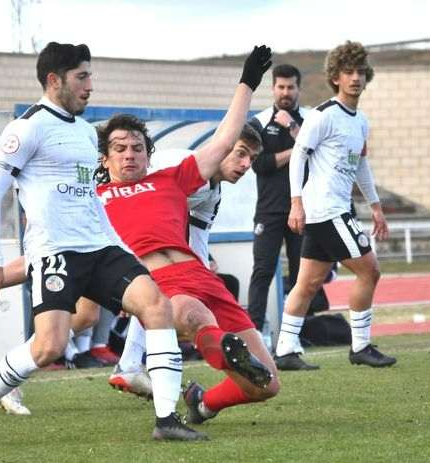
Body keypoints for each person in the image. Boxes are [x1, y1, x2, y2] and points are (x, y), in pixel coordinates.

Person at [0, 42, 210, 447]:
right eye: (82, 76)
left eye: (90, 76)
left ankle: (166, 419)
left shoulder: (84, 133)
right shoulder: (26, 129)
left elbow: (91, 201)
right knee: (49, 347)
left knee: (157, 306)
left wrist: (123, 251)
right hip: (55, 254)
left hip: (100, 248)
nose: (90, 85)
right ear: (54, 80)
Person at [105, 122, 282, 427]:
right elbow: (131, 213)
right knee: (80, 319)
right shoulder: (171, 168)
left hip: (189, 273)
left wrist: (204, 275)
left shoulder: (212, 192)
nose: (245, 165)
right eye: (240, 153)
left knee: (268, 384)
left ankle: (201, 403)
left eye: (251, 159)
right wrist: (124, 281)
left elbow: (196, 240)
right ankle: (130, 363)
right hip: (144, 268)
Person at [274, 40, 397, 370]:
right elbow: (299, 155)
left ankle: (285, 351)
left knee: (308, 283)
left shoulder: (361, 121)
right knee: (370, 270)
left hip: (332, 209)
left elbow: (360, 164)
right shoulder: (323, 115)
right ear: (335, 77)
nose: (355, 78)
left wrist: (375, 205)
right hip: (326, 210)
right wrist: (296, 203)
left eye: (360, 72)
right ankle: (361, 347)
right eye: (348, 72)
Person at [246, 64, 307, 333]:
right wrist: (296, 151)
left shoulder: (310, 120)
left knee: (301, 275)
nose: (285, 92)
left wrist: (293, 127)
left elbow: (316, 155)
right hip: (269, 211)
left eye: (290, 87)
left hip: (301, 210)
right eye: (281, 87)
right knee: (262, 272)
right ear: (273, 88)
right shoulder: (259, 122)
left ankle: (297, 334)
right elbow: (259, 164)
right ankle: (255, 334)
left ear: (298, 89)